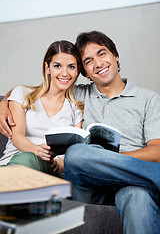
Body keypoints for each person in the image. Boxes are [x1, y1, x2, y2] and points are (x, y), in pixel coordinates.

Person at [0, 31, 160, 233]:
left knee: (138, 196)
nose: (98, 63)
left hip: (132, 181)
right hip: (88, 186)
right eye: (88, 61)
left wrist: (109, 160)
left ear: (115, 55)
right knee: (77, 153)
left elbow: (157, 151)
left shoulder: (149, 99)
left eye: (102, 54)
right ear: (84, 72)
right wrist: (3, 104)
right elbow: (35, 89)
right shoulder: (79, 94)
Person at [0, 40, 83, 176]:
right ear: (47, 67)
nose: (65, 73)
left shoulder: (76, 109)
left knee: (28, 159)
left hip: (52, 170)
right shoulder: (22, 94)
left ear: (77, 70)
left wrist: (56, 162)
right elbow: (17, 137)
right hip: (13, 162)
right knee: (26, 159)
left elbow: (73, 152)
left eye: (71, 67)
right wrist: (38, 150)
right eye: (57, 66)